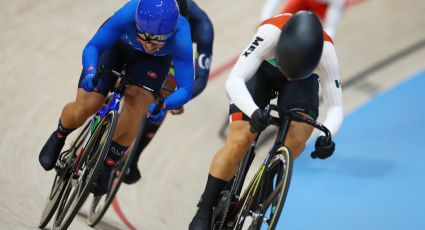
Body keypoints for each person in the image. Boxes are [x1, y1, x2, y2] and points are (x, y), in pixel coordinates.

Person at [189, 11, 344, 229]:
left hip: (303, 79)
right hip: (263, 70)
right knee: (241, 138)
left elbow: (336, 106)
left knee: (298, 138)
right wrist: (253, 112)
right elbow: (234, 81)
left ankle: (263, 188)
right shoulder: (270, 32)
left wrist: (326, 134)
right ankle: (203, 212)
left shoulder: (326, 53)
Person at [38, 0, 194, 196]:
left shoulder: (181, 36)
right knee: (87, 105)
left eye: (156, 42)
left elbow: (186, 88)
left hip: (153, 63)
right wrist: (90, 71)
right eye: (145, 38)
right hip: (117, 47)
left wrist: (164, 105)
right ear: (137, 23)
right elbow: (93, 46)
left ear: (171, 32)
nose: (149, 45)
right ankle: (60, 134)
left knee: (138, 108)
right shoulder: (127, 15)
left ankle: (109, 163)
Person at [123, 0, 214, 184]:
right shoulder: (150, 8)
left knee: (166, 93)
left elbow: (200, 79)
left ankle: (133, 158)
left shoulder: (202, 27)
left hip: (174, 55)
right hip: (145, 44)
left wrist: (177, 100)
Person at [260, 0, 346, 37]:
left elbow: (330, 27)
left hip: (324, 6)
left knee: (312, 32)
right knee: (282, 22)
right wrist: (265, 20)